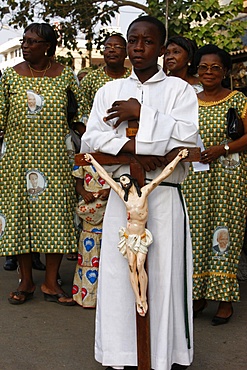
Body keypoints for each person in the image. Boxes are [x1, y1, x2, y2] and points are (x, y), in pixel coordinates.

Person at [81, 15, 198, 370]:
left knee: (161, 276)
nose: (138, 47)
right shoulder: (108, 91)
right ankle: (122, 355)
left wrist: (140, 112)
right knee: (120, 275)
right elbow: (92, 138)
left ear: (161, 48)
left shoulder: (180, 91)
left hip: (162, 198)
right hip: (124, 196)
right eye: (133, 40)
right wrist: (134, 148)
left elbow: (187, 138)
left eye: (148, 41)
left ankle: (162, 355)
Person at [0, 23, 81, 305]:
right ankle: (25, 281)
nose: (26, 45)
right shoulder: (10, 77)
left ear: (47, 46)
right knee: (20, 216)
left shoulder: (66, 76)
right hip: (17, 160)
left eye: (33, 41)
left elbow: (78, 117)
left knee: (56, 217)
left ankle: (50, 281)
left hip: (57, 159)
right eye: (24, 40)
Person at [182, 44, 247, 326]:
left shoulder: (239, 99)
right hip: (195, 177)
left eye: (215, 67)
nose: (209, 72)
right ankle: (197, 295)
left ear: (226, 72)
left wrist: (222, 148)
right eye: (204, 67)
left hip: (228, 178)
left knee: (225, 232)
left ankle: (224, 300)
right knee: (195, 234)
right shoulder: (188, 101)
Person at [84, 149, 188, 317]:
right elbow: (106, 177)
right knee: (132, 267)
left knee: (140, 266)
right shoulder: (124, 197)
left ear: (131, 181)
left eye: (125, 179)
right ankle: (138, 299)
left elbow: (163, 175)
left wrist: (178, 158)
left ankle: (144, 298)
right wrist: (92, 162)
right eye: (122, 180)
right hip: (129, 237)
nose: (123, 181)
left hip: (141, 237)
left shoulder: (144, 193)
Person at [72, 125, 110, 307]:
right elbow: (78, 184)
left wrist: (108, 191)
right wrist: (84, 193)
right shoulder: (84, 160)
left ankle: (105, 298)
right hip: (89, 209)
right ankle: (86, 296)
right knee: (88, 253)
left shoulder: (111, 161)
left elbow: (119, 181)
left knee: (106, 252)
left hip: (106, 209)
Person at [79, 32, 131, 122]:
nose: (112, 50)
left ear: (126, 52)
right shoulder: (91, 79)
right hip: (98, 132)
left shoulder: (133, 77)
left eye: (117, 47)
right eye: (107, 47)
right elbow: (81, 111)